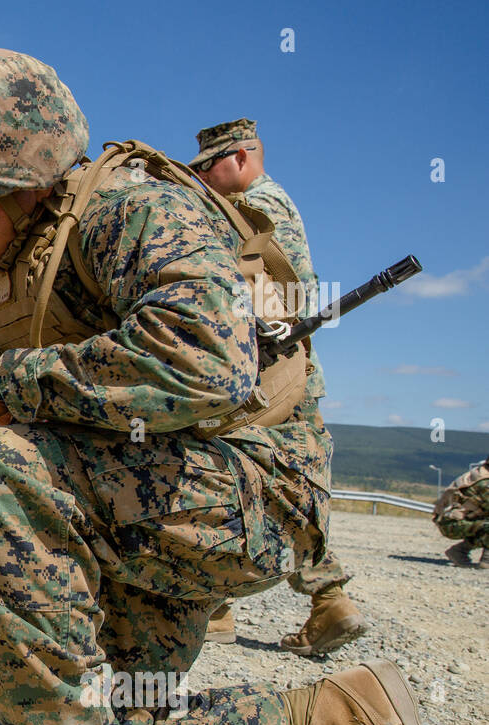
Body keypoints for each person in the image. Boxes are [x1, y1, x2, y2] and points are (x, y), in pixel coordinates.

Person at [0, 49, 455, 725]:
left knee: (9, 460)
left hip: (248, 498)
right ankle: (338, 713)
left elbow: (205, 359)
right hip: (150, 508)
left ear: (27, 171)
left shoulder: (130, 211)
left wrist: (13, 387)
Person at [191, 118, 366, 655]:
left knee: (245, 484)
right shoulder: (260, 203)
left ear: (241, 157)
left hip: (271, 378)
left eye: (208, 167)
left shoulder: (258, 205)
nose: (201, 179)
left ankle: (322, 600)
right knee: (259, 483)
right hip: (282, 374)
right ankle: (218, 606)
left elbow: (284, 296)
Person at [433, 456, 489, 567]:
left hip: (455, 520)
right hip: (453, 524)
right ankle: (487, 559)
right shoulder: (485, 483)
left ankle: (459, 552)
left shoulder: (481, 473)